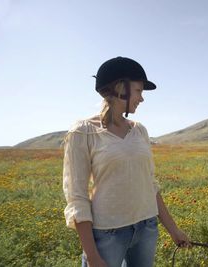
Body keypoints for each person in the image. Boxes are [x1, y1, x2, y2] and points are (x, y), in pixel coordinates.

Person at [63, 56, 190, 267]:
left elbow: (150, 185)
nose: (141, 98)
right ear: (120, 88)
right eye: (139, 91)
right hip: (108, 234)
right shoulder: (82, 132)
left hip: (147, 228)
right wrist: (92, 257)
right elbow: (77, 198)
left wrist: (174, 230)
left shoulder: (139, 130)